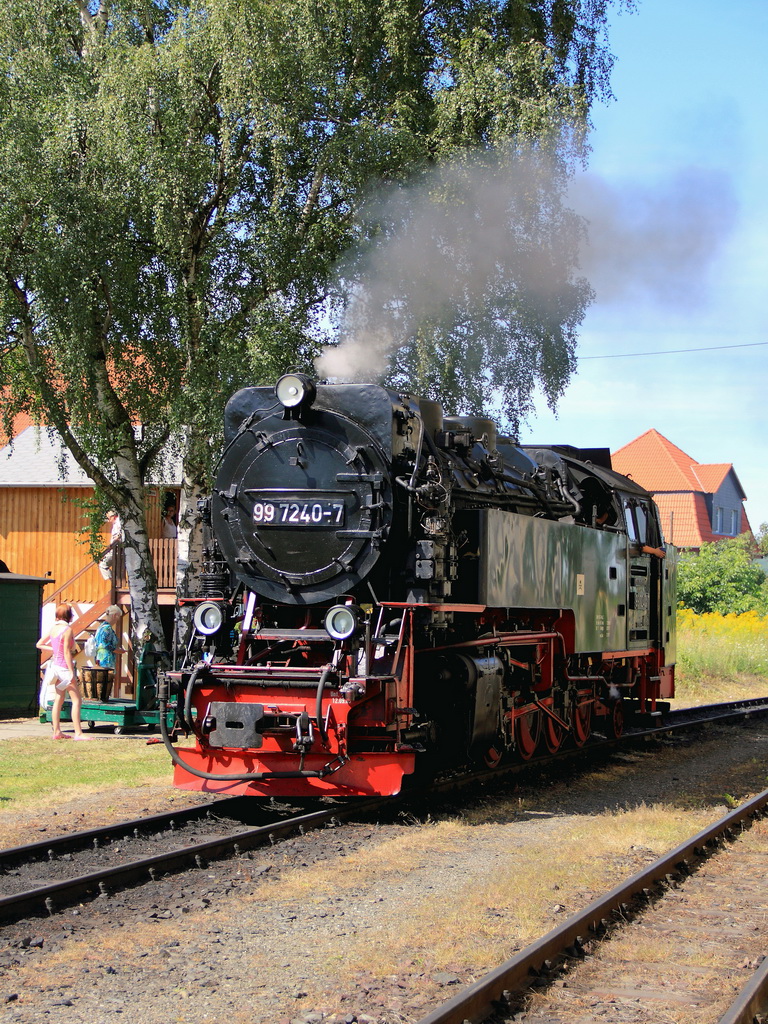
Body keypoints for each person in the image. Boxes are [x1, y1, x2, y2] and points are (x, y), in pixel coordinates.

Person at [37, 603, 89, 740]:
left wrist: (53, 650)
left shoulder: (54, 628)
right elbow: (66, 651)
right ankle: (78, 733)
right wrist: (71, 671)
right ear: (69, 616)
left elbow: (39, 644)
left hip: (55, 667)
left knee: (58, 699)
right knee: (77, 700)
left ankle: (57, 732)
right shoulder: (67, 630)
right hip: (64, 668)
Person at [94, 604, 123, 676]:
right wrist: (117, 650)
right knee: (106, 680)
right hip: (106, 660)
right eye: (118, 616)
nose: (118, 619)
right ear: (114, 615)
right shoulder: (107, 629)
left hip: (99, 658)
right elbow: (106, 645)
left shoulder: (100, 627)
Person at [99, 510, 122, 580]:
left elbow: (120, 534)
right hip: (116, 548)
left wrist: (113, 543)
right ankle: (115, 579)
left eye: (109, 518)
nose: (109, 521)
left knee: (103, 565)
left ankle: (113, 580)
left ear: (113, 517)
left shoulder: (119, 524)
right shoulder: (117, 524)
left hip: (116, 549)